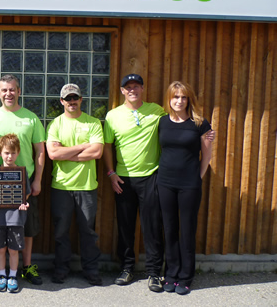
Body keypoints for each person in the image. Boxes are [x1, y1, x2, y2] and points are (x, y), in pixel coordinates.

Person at [0, 74, 46, 285]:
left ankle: (26, 266)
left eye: (12, 89)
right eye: (4, 90)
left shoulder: (31, 118)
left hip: (24, 182)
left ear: (19, 91)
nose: (8, 93)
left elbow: (40, 151)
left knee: (26, 226)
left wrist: (37, 180)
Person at [102, 73, 165, 292]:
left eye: (136, 86)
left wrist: (203, 130)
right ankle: (127, 268)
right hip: (123, 179)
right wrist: (111, 173)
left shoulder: (157, 111)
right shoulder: (112, 116)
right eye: (128, 87)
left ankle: (154, 273)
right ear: (122, 91)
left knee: (152, 227)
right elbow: (107, 146)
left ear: (142, 88)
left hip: (151, 177)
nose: (132, 90)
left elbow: (178, 123)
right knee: (125, 226)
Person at [158, 81, 213, 295]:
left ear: (189, 100)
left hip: (189, 185)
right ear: (169, 99)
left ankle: (186, 277)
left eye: (183, 97)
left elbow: (206, 157)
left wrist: (195, 179)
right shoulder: (162, 122)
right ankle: (171, 274)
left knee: (187, 231)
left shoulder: (200, 124)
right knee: (170, 230)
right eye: (175, 97)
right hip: (165, 183)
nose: (179, 101)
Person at [46, 84, 104, 286]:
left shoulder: (93, 123)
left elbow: (97, 153)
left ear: (81, 99)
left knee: (88, 231)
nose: (72, 101)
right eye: (67, 98)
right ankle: (61, 269)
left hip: (87, 186)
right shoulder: (55, 124)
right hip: (61, 186)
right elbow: (53, 154)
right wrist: (82, 147)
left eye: (75, 98)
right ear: (61, 101)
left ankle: (91, 270)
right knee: (61, 231)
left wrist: (67, 153)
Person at [0, 133, 30, 293]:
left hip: (16, 218)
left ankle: (13, 276)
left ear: (18, 152)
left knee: (13, 249)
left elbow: (25, 194)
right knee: (0, 249)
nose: (9, 156)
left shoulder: (22, 173)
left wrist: (25, 203)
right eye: (6, 152)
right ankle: (2, 275)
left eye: (13, 152)